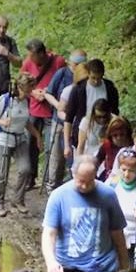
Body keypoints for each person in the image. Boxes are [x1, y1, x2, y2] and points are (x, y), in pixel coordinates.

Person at [0, 71, 43, 217]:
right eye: (30, 88)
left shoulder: (26, 101)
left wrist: (37, 135)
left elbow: (26, 122)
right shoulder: (5, 100)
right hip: (2, 138)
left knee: (25, 169)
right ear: (21, 87)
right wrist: (3, 122)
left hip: (19, 138)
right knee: (2, 172)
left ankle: (18, 199)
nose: (32, 91)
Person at [40, 48, 88, 193]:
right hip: (59, 120)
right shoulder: (62, 73)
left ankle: (67, 184)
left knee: (72, 155)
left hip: (76, 124)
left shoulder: (86, 78)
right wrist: (58, 107)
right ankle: (52, 184)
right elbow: (48, 93)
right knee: (56, 155)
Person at [20, 38, 66, 190]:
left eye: (33, 55)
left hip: (50, 111)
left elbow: (64, 82)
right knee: (31, 145)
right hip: (34, 108)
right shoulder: (28, 63)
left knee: (49, 147)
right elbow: (21, 82)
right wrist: (33, 92)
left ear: (41, 53)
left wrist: (47, 92)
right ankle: (30, 178)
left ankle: (47, 180)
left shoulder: (57, 62)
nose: (30, 59)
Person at [63, 58, 120, 158]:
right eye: (93, 77)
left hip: (105, 133)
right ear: (88, 73)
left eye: (99, 78)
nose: (96, 81)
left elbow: (115, 112)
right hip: (83, 132)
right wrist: (66, 145)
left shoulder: (109, 88)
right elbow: (69, 118)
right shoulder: (79, 90)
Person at [95, 115, 133, 180]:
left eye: (122, 134)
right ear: (110, 135)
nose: (119, 138)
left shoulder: (133, 145)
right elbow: (96, 161)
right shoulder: (107, 145)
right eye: (115, 135)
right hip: (109, 177)